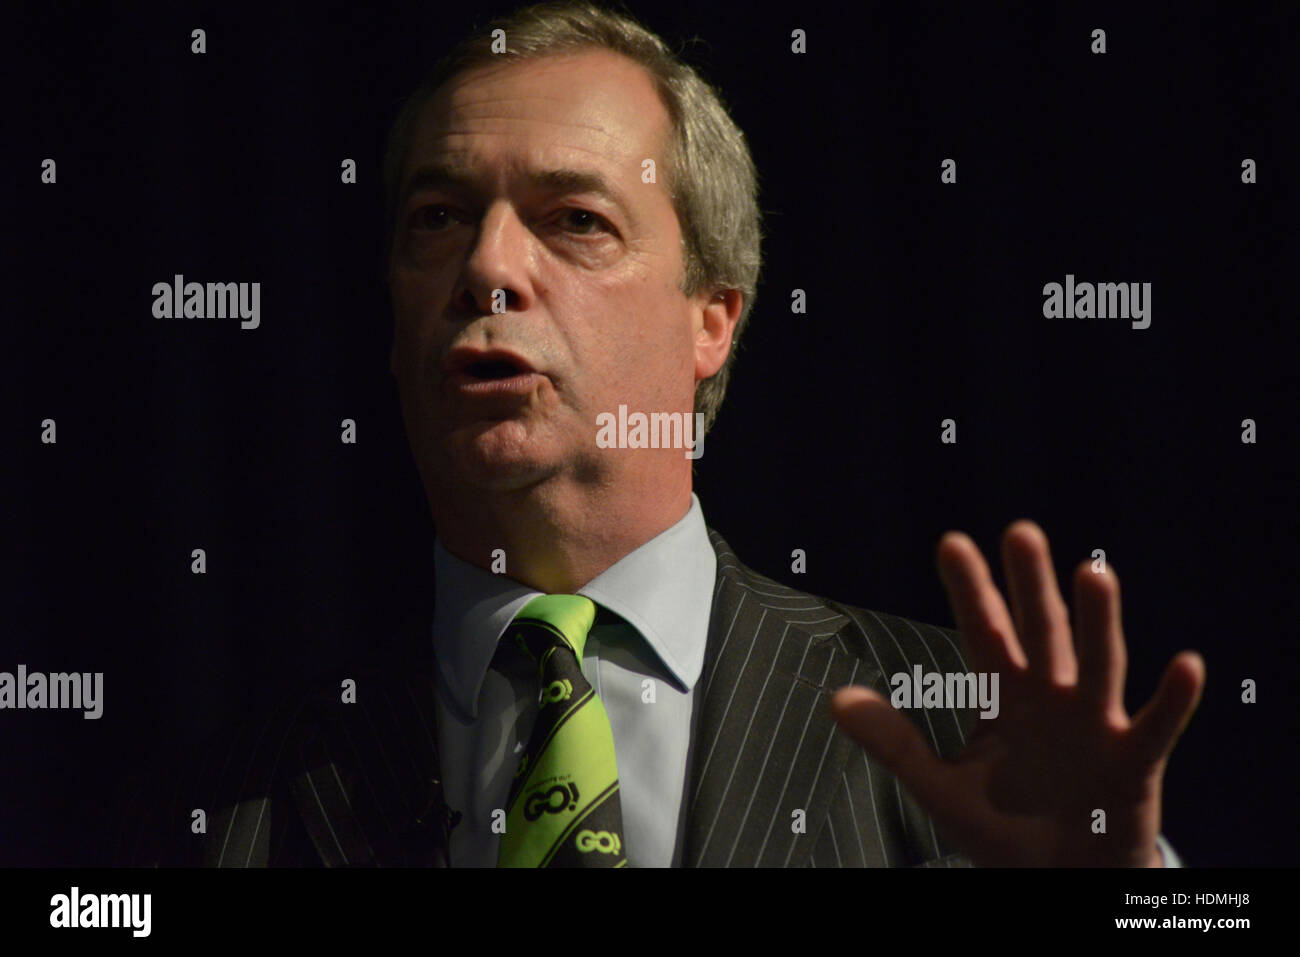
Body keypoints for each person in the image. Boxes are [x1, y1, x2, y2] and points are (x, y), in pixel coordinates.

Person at [115, 0, 1204, 868]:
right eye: (437, 218)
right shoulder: (219, 804)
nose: (487, 268)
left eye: (574, 219)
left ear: (710, 321)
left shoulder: (960, 724)